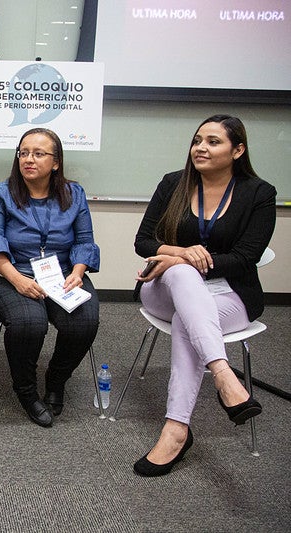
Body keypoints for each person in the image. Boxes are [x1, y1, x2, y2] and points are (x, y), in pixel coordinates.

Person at [131, 114, 276, 477]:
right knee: (182, 273)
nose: (201, 148)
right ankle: (224, 374)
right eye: (197, 140)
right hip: (166, 288)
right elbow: (143, 241)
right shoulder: (173, 184)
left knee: (188, 320)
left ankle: (176, 430)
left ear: (238, 150)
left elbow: (245, 259)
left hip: (231, 294)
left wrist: (190, 259)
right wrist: (179, 255)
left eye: (213, 142)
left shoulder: (259, 194)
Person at [0, 128, 100, 428]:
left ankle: (56, 379)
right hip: (9, 273)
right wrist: (18, 280)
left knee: (84, 321)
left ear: (56, 162)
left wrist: (78, 272)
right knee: (30, 323)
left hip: (63, 273)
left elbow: (84, 241)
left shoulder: (75, 193)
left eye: (38, 154)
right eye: (23, 153)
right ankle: (26, 390)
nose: (29, 159)